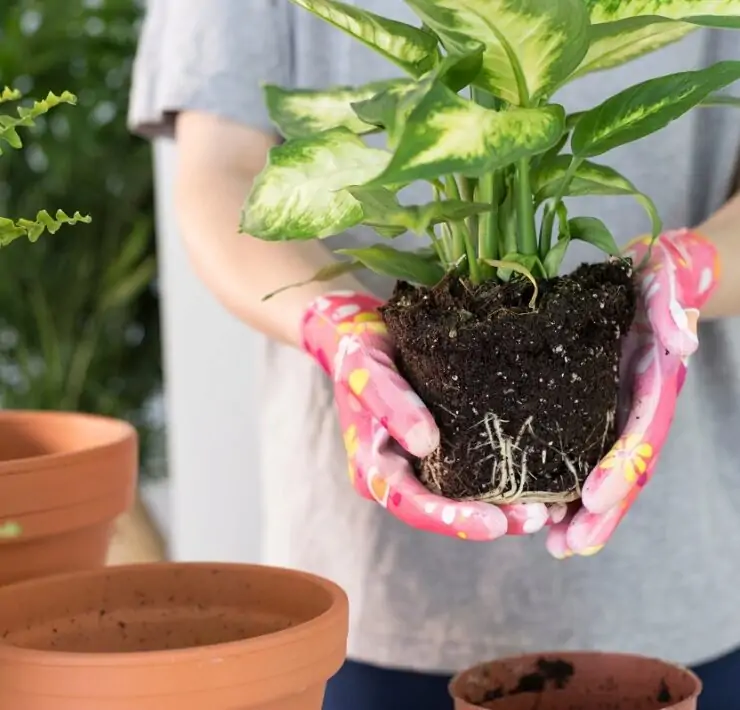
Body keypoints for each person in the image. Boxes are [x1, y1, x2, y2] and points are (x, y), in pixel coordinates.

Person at [128, 2, 740, 708]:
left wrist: (690, 273)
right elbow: (224, 176)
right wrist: (331, 323)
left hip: (686, 593)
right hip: (367, 601)